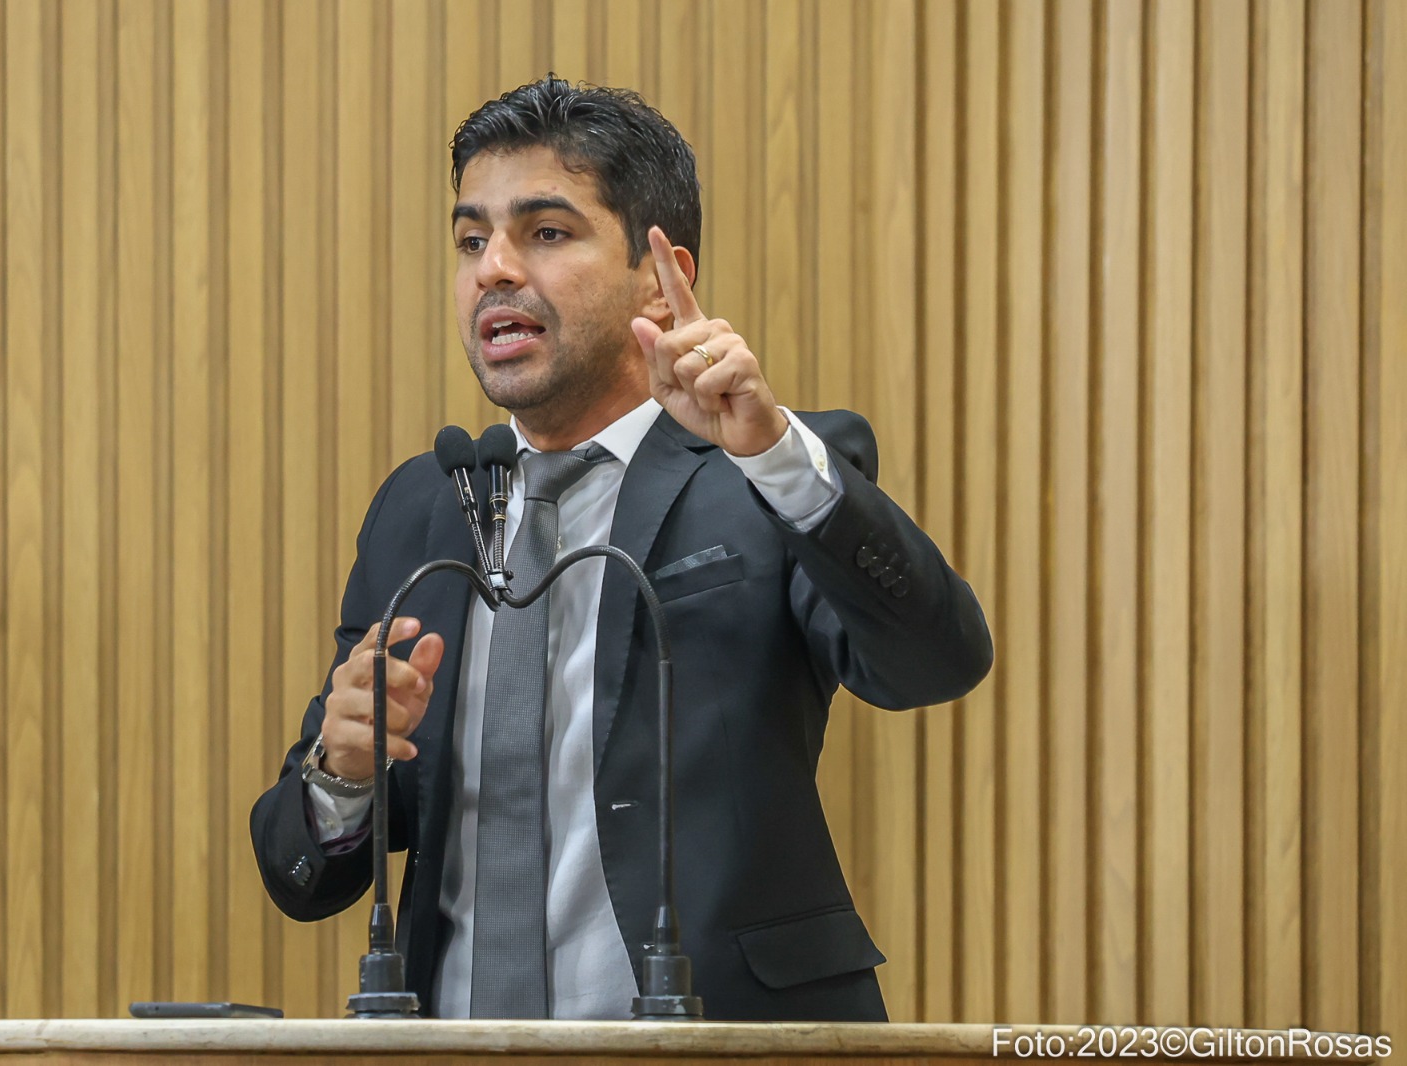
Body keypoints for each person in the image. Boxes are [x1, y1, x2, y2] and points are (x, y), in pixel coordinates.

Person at [250, 75, 992, 1022]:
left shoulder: (762, 474)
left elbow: (934, 662)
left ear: (658, 274)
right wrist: (341, 772)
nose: (494, 270)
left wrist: (774, 455)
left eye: (546, 233)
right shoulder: (424, 509)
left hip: (720, 1037)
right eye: (472, 241)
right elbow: (301, 871)